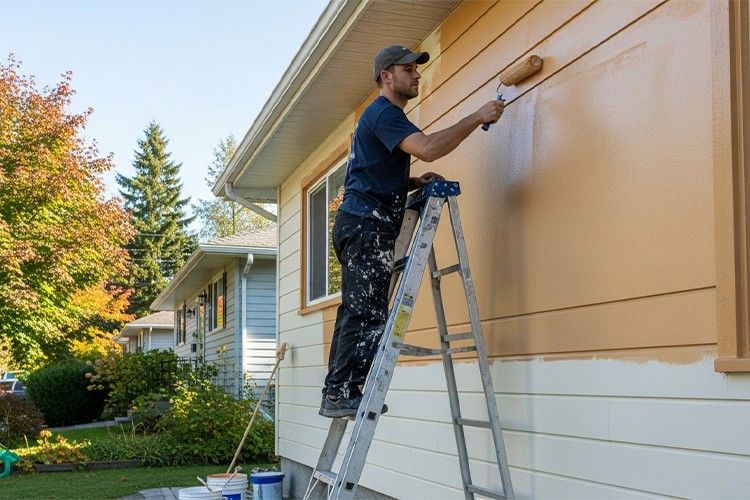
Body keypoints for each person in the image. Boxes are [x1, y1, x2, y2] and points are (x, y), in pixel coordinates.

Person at [319, 45, 505, 418]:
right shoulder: (384, 113)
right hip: (366, 225)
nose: (417, 75)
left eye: (417, 69)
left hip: (359, 220)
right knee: (366, 313)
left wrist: (412, 180)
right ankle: (340, 394)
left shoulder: (379, 117)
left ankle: (340, 389)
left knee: (355, 311)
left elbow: (370, 173)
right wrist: (477, 116)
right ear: (387, 77)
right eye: (408, 69)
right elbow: (430, 147)